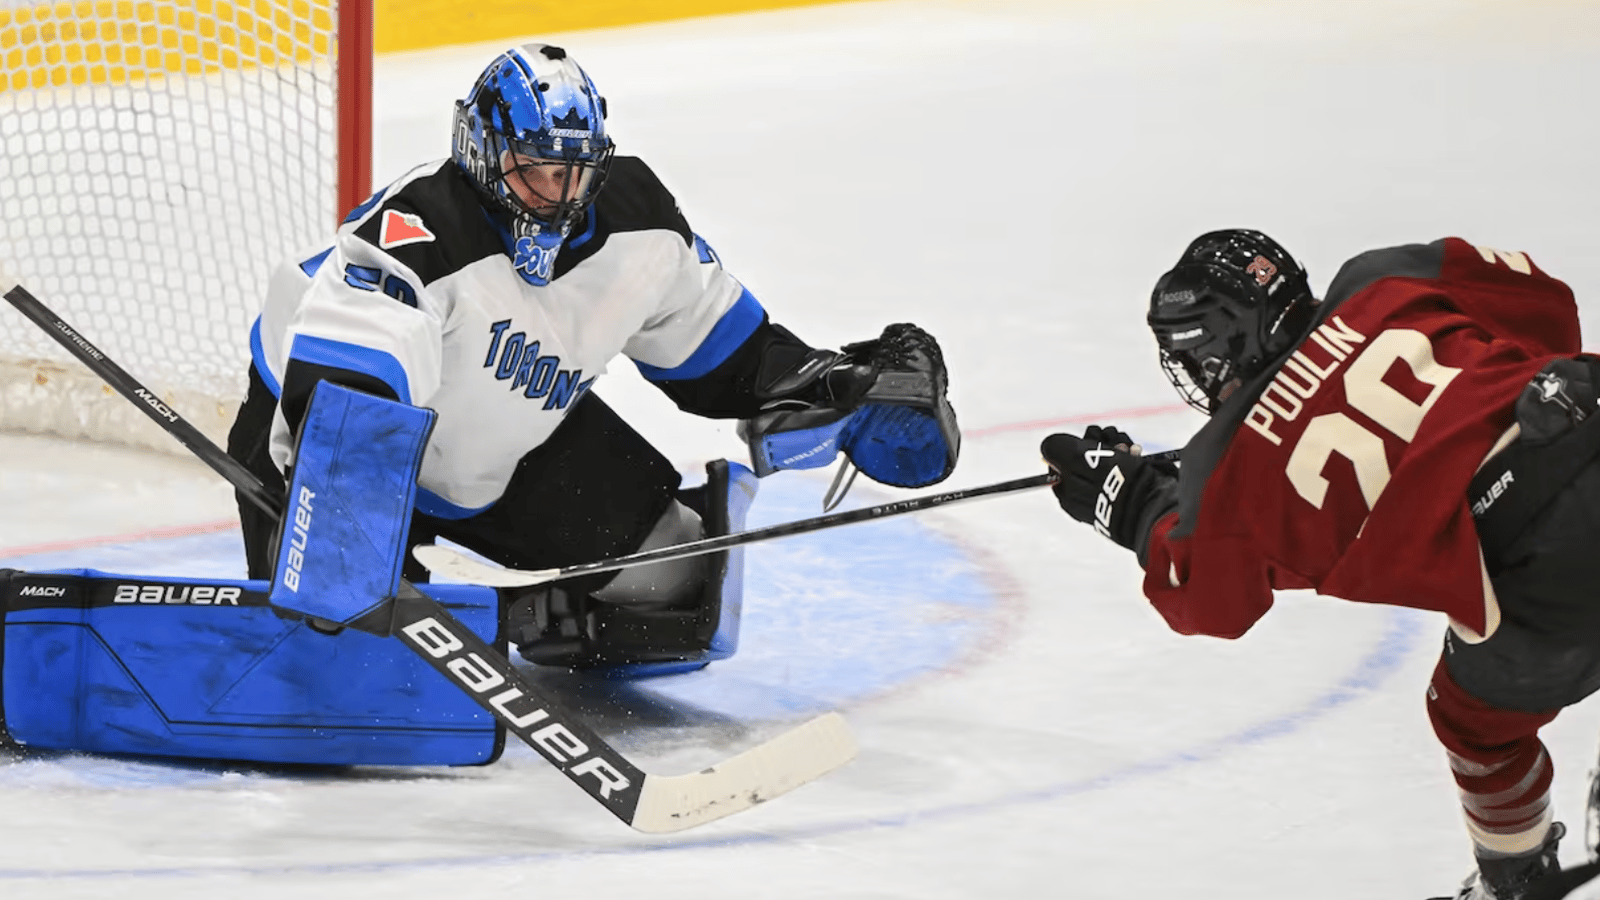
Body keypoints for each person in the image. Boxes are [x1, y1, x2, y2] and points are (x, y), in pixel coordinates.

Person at [225, 42, 959, 677]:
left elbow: (727, 355)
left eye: (573, 175)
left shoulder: (640, 226)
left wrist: (837, 382)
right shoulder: (419, 230)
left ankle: (521, 610)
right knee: (340, 654)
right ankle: (360, 599)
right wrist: (350, 530)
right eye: (534, 172)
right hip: (323, 446)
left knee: (679, 585)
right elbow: (349, 389)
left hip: (506, 439)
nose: (555, 197)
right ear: (484, 154)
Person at [1038, 229, 1596, 900]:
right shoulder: (1382, 278)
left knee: (1474, 722)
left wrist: (1134, 508)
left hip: (1550, 565)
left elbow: (1209, 599)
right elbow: (1549, 305)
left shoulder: (1230, 471)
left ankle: (1515, 877)